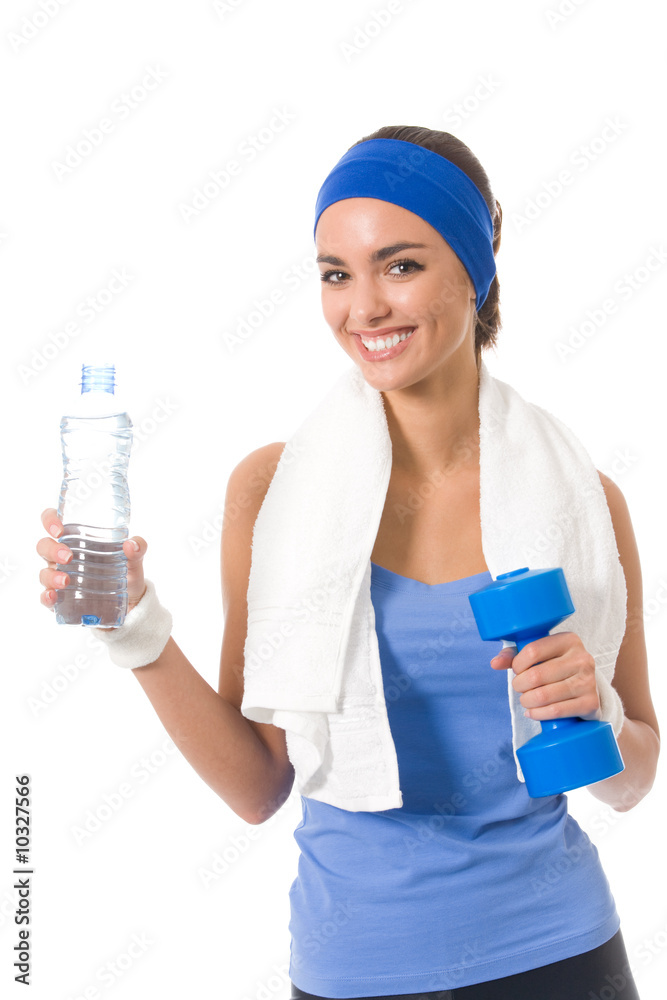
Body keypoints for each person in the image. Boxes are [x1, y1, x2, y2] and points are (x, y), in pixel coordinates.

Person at [37, 125, 659, 1000]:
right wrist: (133, 629)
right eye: (336, 274)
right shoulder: (275, 492)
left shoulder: (582, 501)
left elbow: (632, 780)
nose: (362, 307)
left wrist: (591, 701)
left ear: (474, 270)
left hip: (559, 956)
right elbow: (258, 786)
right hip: (355, 971)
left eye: (399, 266)